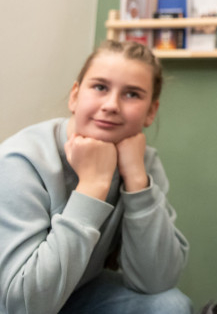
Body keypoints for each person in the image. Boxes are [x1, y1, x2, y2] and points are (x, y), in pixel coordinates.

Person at [0, 40, 191, 314]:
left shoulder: (142, 162)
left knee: (171, 306)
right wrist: (92, 186)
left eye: (132, 94)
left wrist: (137, 182)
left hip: (74, 293)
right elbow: (21, 306)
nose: (112, 105)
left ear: (151, 111)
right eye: (100, 87)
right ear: (75, 96)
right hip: (19, 303)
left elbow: (157, 281)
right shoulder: (20, 162)